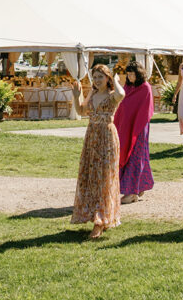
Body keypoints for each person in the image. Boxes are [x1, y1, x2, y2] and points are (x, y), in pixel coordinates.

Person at [71, 64, 125, 239]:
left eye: (101, 77)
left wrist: (116, 81)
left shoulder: (112, 95)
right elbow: (81, 110)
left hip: (107, 137)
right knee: (91, 177)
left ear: (107, 78)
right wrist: (76, 96)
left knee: (105, 179)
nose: (97, 80)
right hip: (92, 136)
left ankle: (100, 221)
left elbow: (121, 94)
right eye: (95, 77)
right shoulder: (93, 93)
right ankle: (96, 215)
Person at [113, 61, 154, 204]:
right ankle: (138, 187)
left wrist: (136, 129)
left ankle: (132, 192)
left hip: (139, 129)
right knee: (126, 155)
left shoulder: (145, 88)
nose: (130, 77)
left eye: (132, 74)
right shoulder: (127, 88)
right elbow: (122, 105)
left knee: (136, 158)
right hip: (125, 128)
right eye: (128, 74)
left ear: (139, 73)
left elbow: (145, 111)